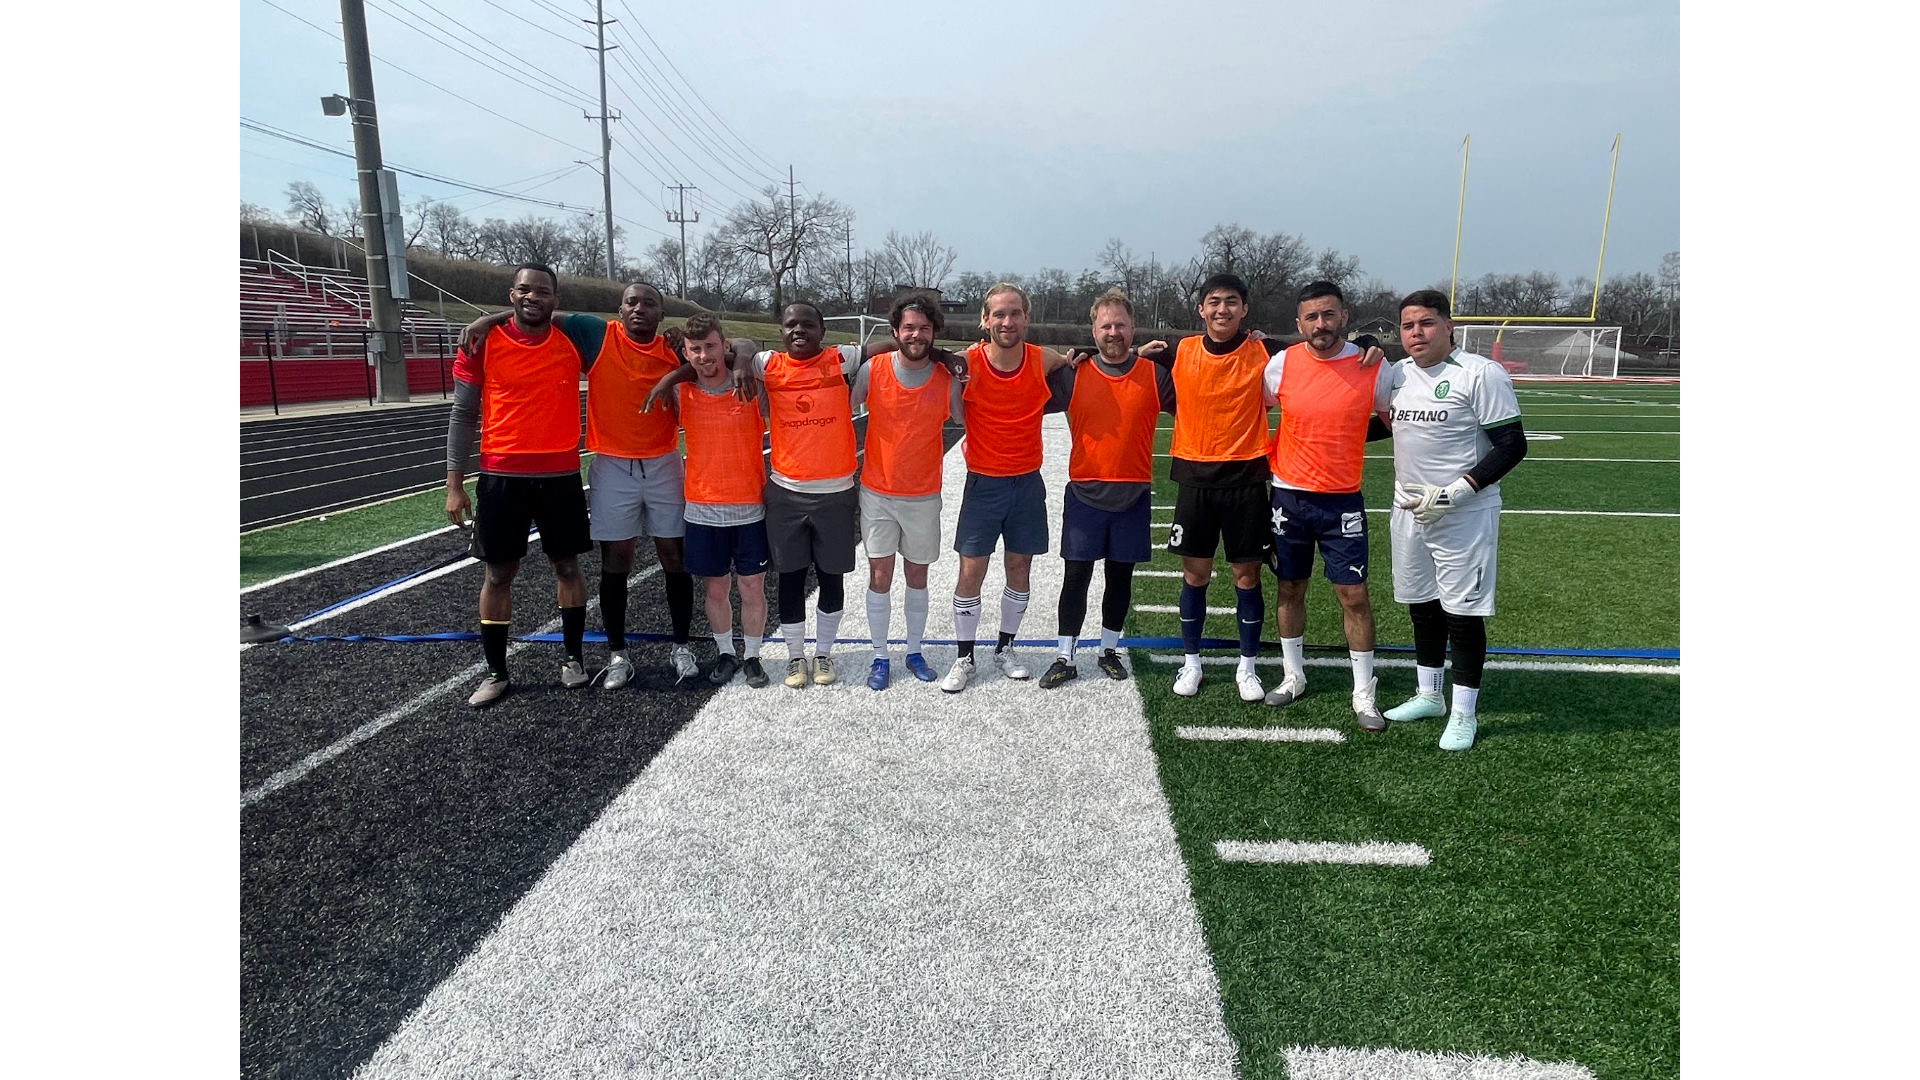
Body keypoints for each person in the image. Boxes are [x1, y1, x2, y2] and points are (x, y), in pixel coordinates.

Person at [646, 302, 964, 691]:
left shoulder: (841, 358)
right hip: (786, 492)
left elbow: (890, 344)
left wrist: (940, 353)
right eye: (791, 324)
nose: (799, 330)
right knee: (791, 580)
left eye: (808, 324)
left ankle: (824, 652)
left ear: (822, 331)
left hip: (836, 492)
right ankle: (796, 655)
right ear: (780, 331)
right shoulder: (767, 364)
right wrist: (681, 374)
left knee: (832, 580)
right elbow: (728, 351)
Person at [458, 282, 700, 689]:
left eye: (649, 304)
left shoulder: (673, 347)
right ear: (619, 310)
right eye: (631, 302)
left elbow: (725, 354)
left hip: (663, 463)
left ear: (662, 314)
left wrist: (673, 375)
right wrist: (489, 320)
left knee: (673, 556)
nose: (639, 309)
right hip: (612, 465)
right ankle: (618, 654)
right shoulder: (596, 333)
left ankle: (681, 647)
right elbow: (540, 312)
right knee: (616, 560)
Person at [1379, 290, 1527, 750]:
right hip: (1409, 509)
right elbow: (1384, 426)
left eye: (1426, 323)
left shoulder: (1480, 373)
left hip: (1463, 513)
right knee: (1422, 605)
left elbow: (1512, 444)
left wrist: (1456, 492)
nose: (1416, 333)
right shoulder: (1398, 374)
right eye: (1408, 326)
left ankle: (1464, 713)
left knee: (1462, 613)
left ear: (1448, 326)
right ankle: (1429, 694)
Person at [444, 263, 595, 709]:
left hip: (560, 476)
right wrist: (454, 485)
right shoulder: (482, 343)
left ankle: (573, 658)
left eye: (543, 291)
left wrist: (489, 316)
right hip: (501, 478)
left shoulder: (573, 340)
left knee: (567, 567)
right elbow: (462, 415)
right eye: (525, 290)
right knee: (497, 574)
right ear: (511, 294)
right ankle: (496, 672)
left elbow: (601, 327)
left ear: (555, 299)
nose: (533, 297)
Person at [1260, 280, 1396, 731]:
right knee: (1289, 588)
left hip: (1342, 500)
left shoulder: (1371, 365)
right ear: (1299, 323)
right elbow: (1252, 409)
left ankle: (1364, 691)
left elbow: (1394, 419)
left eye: (1329, 314)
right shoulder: (1281, 365)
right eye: (1312, 317)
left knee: (1354, 595)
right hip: (1289, 496)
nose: (1321, 324)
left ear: (1344, 317)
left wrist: (1349, 433)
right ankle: (1293, 675)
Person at [940, 283, 1081, 693]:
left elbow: (1076, 360)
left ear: (1026, 318)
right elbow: (950, 406)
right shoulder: (968, 362)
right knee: (971, 570)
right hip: (983, 482)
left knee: (1019, 568)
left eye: (1015, 313)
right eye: (999, 314)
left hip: (1027, 483)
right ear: (985, 320)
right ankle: (964, 656)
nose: (1007, 321)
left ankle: (1005, 648)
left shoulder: (1041, 358)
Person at [1038, 288, 1175, 687]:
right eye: (1105, 326)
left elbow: (1198, 399)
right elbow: (1026, 385)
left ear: (1133, 328)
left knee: (1120, 579)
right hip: (1085, 492)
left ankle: (1109, 650)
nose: (1113, 332)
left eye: (1120, 325)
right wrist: (1062, 358)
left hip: (1133, 494)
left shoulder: (1155, 376)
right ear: (1093, 331)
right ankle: (1065, 656)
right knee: (1076, 578)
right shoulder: (1074, 374)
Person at [850, 292, 965, 690]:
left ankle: (914, 651)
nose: (916, 335)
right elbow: (843, 408)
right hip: (877, 493)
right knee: (880, 575)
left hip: (923, 495)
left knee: (917, 576)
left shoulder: (946, 379)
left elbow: (968, 419)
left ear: (935, 332)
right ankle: (880, 656)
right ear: (896, 331)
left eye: (924, 328)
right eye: (909, 327)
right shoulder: (874, 369)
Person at [668, 312, 774, 689]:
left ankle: (753, 656)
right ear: (686, 353)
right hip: (703, 508)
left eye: (710, 346)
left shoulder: (750, 384)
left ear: (724, 346)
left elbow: (750, 349)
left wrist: (743, 356)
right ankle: (726, 652)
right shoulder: (681, 390)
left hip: (750, 506)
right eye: (695, 349)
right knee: (715, 589)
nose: (704, 355)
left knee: (752, 588)